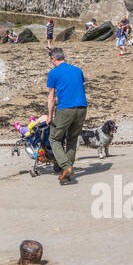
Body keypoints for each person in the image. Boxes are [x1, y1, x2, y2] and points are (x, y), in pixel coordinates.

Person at [45, 47, 87, 185]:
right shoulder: (77, 70)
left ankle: (66, 166)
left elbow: (51, 98)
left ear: (53, 59)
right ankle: (67, 172)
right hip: (82, 107)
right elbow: (78, 87)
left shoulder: (53, 73)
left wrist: (49, 116)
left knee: (54, 138)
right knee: (72, 139)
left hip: (66, 109)